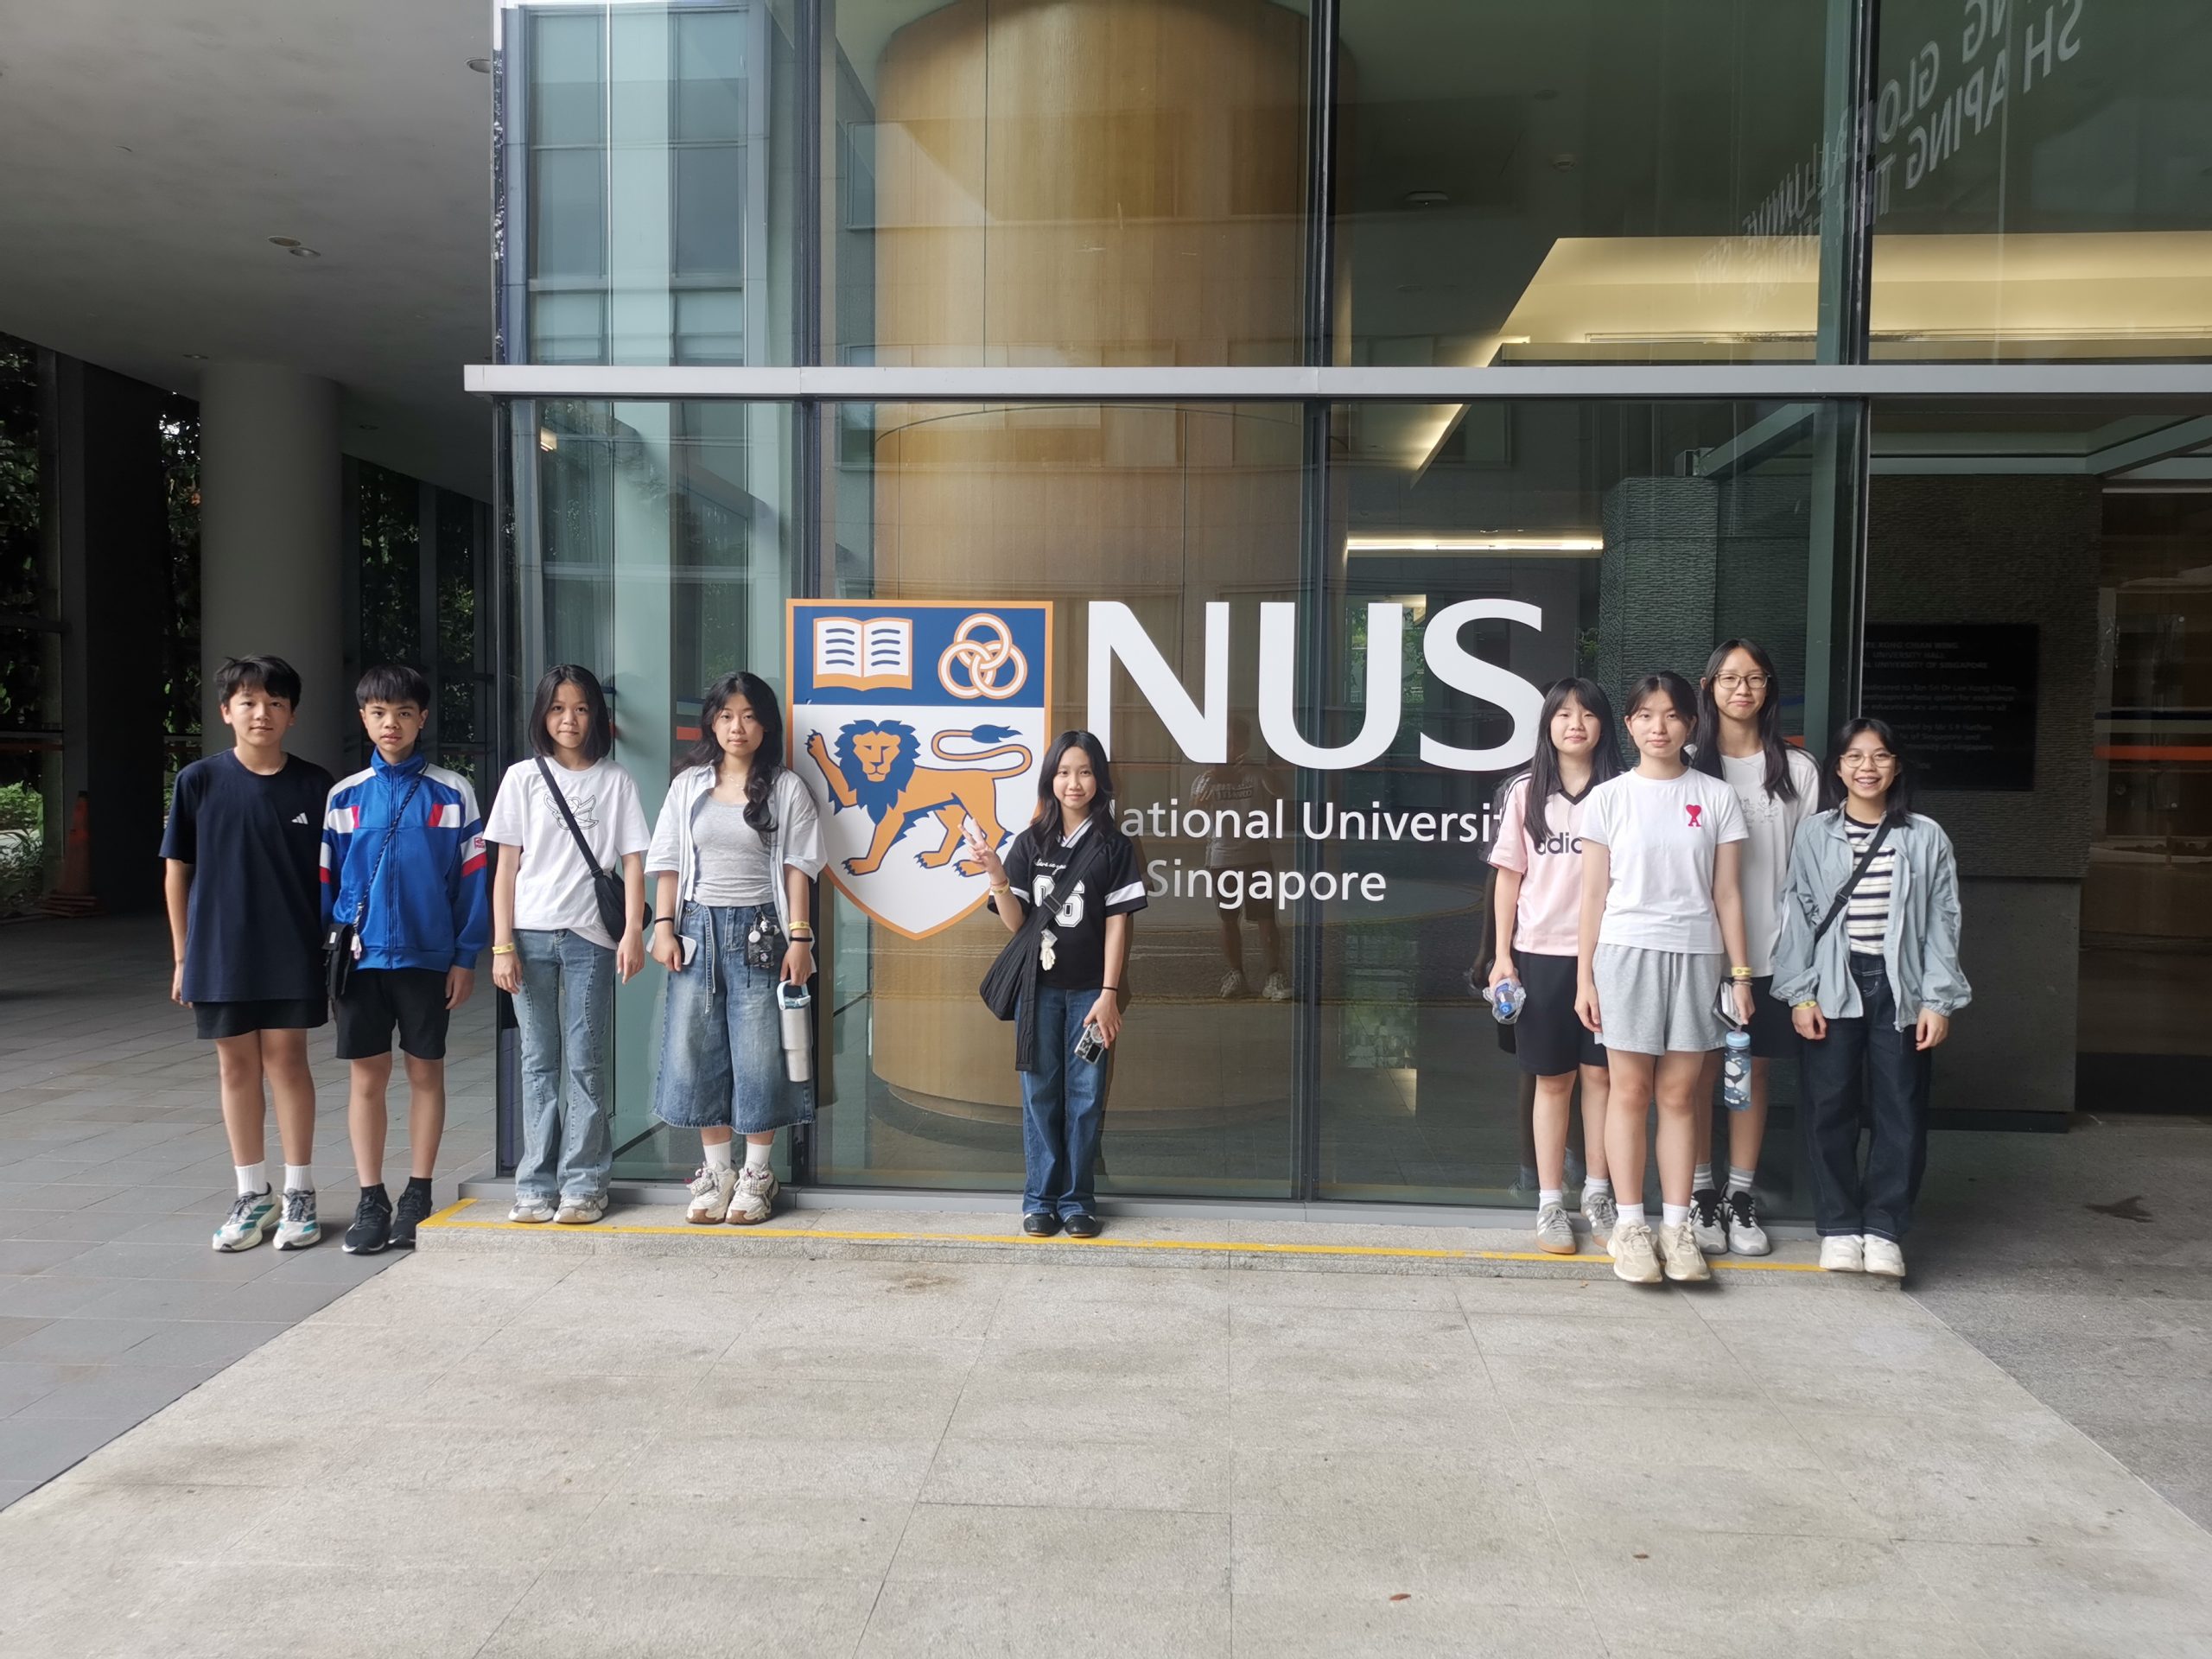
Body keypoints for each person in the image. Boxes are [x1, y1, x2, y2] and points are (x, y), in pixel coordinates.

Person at [1772, 717, 1969, 1280]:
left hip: (1901, 986)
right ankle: (1839, 1227)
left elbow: (1944, 921)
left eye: (1880, 756)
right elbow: (1797, 913)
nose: (1867, 767)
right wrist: (1799, 994)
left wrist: (1938, 1000)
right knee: (1829, 1107)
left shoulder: (1925, 836)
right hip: (1833, 983)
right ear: (1837, 768)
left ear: (1896, 766)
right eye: (1855, 757)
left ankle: (1884, 1229)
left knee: (1900, 1108)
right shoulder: (1815, 833)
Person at [1576, 671, 1755, 1286]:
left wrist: (1740, 976)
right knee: (1629, 1092)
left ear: (1691, 723)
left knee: (1680, 1095)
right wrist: (1584, 980)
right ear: (1629, 725)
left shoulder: (1717, 796)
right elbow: (1592, 896)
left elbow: (1728, 894)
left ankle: (1677, 1230)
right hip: (1624, 954)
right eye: (1647, 715)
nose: (1660, 727)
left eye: (1673, 715)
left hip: (1699, 956)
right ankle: (1631, 1227)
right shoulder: (1609, 798)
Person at [161, 655, 335, 1254]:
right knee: (235, 1067)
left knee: (287, 1062)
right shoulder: (198, 781)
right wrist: (183, 957)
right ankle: (251, 1193)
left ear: (292, 715)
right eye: (249, 702)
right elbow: (177, 870)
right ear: (226, 712)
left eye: (275, 703)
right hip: (219, 950)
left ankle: (300, 1192)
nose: (262, 713)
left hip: (292, 947)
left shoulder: (317, 785)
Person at [321, 665, 489, 1255]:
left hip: (427, 957)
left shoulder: (453, 792)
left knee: (425, 1072)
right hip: (360, 963)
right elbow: (327, 883)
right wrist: (327, 954)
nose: (390, 723)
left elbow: (473, 880)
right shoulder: (344, 797)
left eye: (403, 713)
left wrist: (465, 956)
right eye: (378, 713)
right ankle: (372, 1197)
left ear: (423, 719)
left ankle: (418, 1193)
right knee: (367, 1077)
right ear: (363, 719)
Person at [648, 671, 824, 1227]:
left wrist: (801, 937)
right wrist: (662, 925)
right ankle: (717, 1171)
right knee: (697, 1048)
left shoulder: (785, 788)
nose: (737, 727)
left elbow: (799, 867)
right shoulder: (688, 786)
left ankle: (756, 1175)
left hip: (762, 931)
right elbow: (668, 861)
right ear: (712, 722)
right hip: (695, 928)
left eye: (749, 716)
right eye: (726, 716)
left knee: (758, 1050)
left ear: (765, 724)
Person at [484, 665, 650, 1226]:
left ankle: (584, 1185)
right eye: (557, 708)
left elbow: (634, 862)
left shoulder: (616, 781)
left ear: (596, 714)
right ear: (543, 714)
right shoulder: (522, 778)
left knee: (585, 1061)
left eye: (580, 708)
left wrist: (633, 931)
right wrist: (501, 945)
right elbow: (505, 869)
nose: (569, 719)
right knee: (537, 1061)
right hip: (529, 935)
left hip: (591, 939)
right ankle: (534, 1187)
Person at [968, 730, 1147, 1238]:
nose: (1074, 783)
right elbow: (1017, 925)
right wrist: (997, 873)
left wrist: (1109, 994)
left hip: (1092, 993)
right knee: (1040, 1093)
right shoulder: (1031, 843)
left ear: (1099, 780)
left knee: (1086, 1096)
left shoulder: (1115, 845)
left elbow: (1118, 925)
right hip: (1038, 991)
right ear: (1050, 779)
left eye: (1085, 772)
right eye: (1064, 772)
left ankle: (1077, 1201)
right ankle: (1040, 1199)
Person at [1688, 639, 1820, 1257]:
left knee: (1753, 1070)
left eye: (1756, 678)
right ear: (1709, 686)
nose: (1743, 689)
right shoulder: (1686, 763)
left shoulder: (1798, 770)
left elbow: (1812, 872)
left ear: (1770, 689)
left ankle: (1740, 1195)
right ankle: (1698, 1190)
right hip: (1696, 952)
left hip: (1771, 951)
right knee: (1694, 1072)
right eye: (1730, 678)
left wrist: (1805, 957)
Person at [1486, 677, 1624, 1255]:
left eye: (1587, 714)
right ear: (1547, 724)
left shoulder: (1622, 791)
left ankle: (1598, 1194)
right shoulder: (1525, 791)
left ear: (1604, 725)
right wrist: (1503, 957)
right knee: (1553, 1079)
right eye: (1563, 714)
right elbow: (1508, 878)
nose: (1575, 724)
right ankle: (1549, 1202)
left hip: (1612, 953)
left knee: (1602, 1078)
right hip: (1542, 954)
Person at [1191, 714, 1289, 1001]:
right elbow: (1195, 809)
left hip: (1256, 855)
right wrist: (1212, 779)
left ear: (1245, 743)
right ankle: (1237, 974)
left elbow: (1281, 790)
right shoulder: (1206, 777)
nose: (1230, 749)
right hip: (1222, 857)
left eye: (1235, 742)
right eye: (1225, 743)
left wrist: (1259, 769)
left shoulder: (1256, 773)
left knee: (1266, 918)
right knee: (1229, 919)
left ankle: (1274, 975)